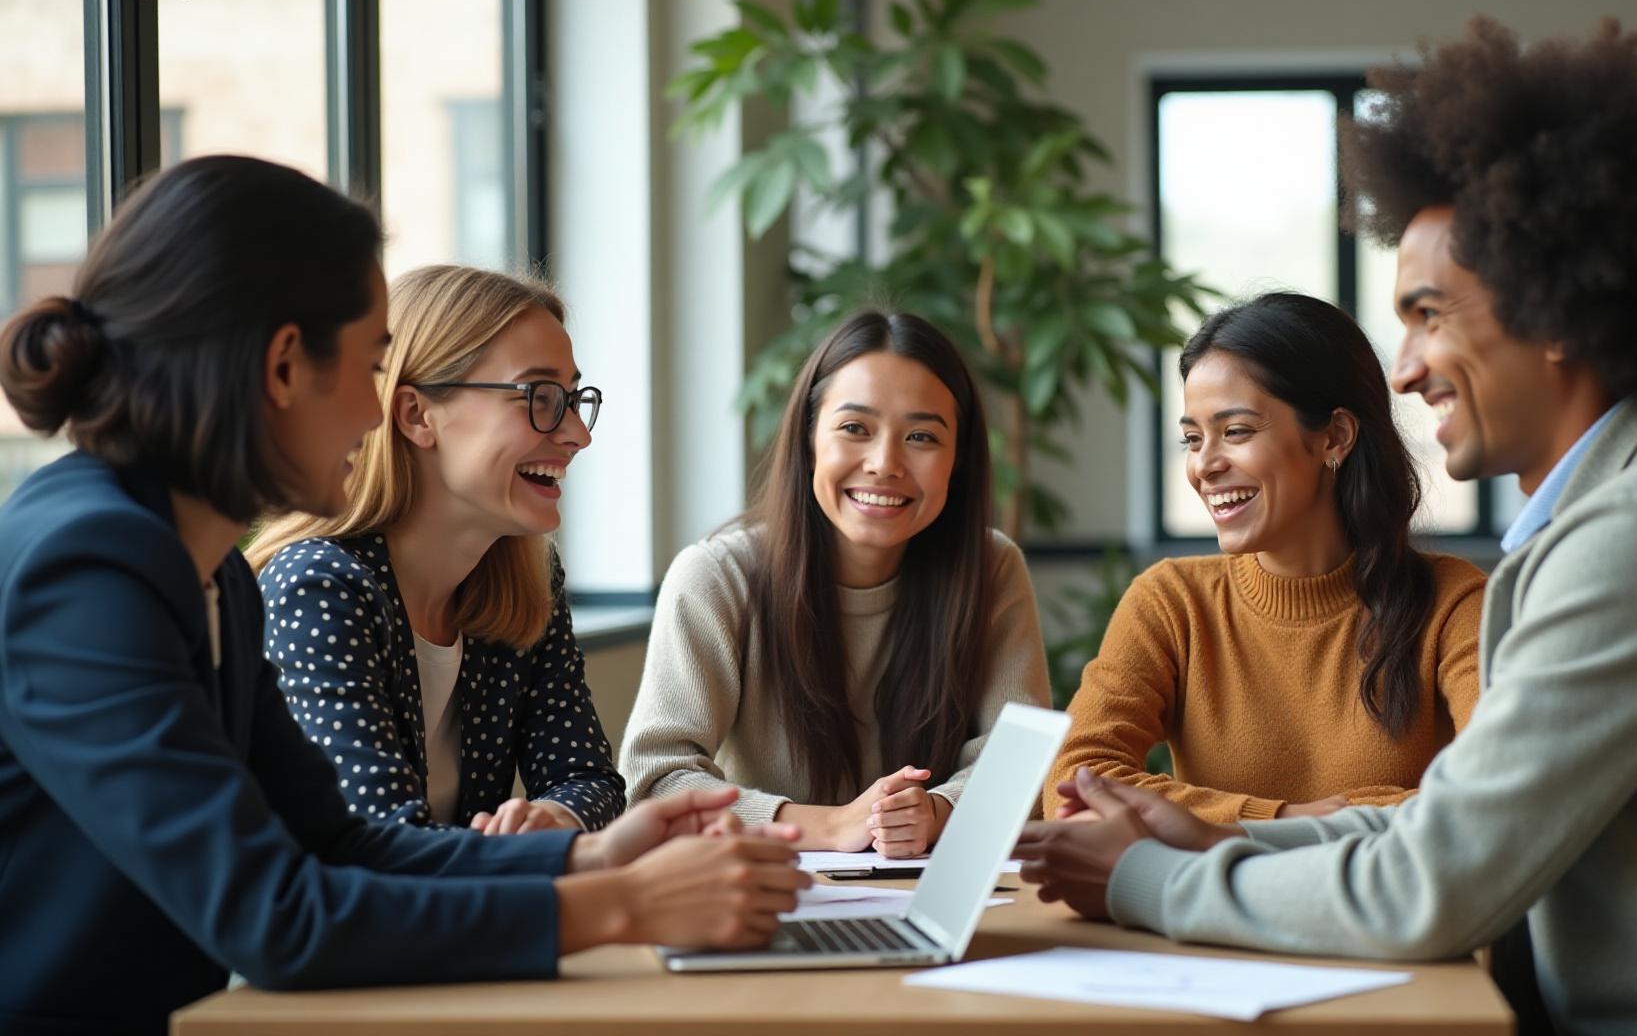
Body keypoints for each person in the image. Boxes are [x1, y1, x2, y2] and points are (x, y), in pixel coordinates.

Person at [1012, 19, 1637, 1035]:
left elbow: (1431, 884)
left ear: (1561, 312)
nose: (1403, 366)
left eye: (1429, 313)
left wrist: (1154, 879)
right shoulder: (1622, 504)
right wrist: (1199, 845)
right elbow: (1453, 832)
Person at [0, 156, 806, 1036]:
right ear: (281, 368)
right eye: (371, 365)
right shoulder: (88, 567)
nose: (376, 410)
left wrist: (589, 858)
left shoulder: (211, 570)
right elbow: (278, 917)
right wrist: (623, 908)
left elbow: (342, 843)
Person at [620, 311, 1051, 857]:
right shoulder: (717, 577)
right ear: (808, 440)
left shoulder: (991, 569)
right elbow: (656, 780)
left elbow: (1019, 765)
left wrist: (939, 811)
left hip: (931, 890)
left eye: (921, 436)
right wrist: (829, 827)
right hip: (761, 887)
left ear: (958, 461)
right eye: (855, 429)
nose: (884, 463)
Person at [1046, 292, 1482, 823]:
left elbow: (1492, 796)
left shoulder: (1454, 604)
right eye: (1191, 438)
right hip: (1205, 908)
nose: (1204, 465)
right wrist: (1278, 819)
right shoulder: (1171, 602)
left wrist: (1223, 826)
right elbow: (1074, 780)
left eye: (1236, 432)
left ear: (1335, 438)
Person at [248, 265, 623, 834]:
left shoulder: (528, 582)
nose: (578, 432)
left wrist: (555, 818)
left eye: (572, 398)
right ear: (417, 415)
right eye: (542, 396)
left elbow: (590, 778)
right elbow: (383, 843)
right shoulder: (317, 586)